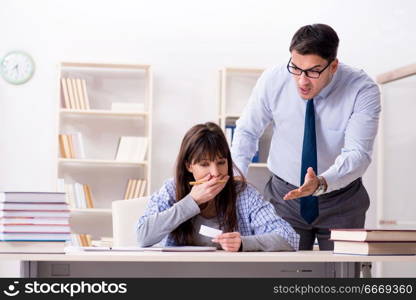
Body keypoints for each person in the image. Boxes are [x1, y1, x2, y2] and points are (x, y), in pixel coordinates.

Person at [231, 24, 381, 250]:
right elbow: (247, 130)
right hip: (284, 198)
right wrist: (236, 176)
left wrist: (320, 183)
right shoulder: (273, 79)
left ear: (333, 66)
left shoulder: (361, 89)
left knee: (340, 278)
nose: (302, 81)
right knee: (281, 274)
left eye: (313, 71)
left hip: (340, 200)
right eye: (296, 68)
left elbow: (358, 154)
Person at [136, 122, 299, 252]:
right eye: (204, 164)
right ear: (189, 166)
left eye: (221, 162)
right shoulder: (172, 190)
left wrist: (243, 243)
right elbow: (143, 236)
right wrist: (191, 201)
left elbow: (289, 238)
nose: (215, 173)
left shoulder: (243, 194)